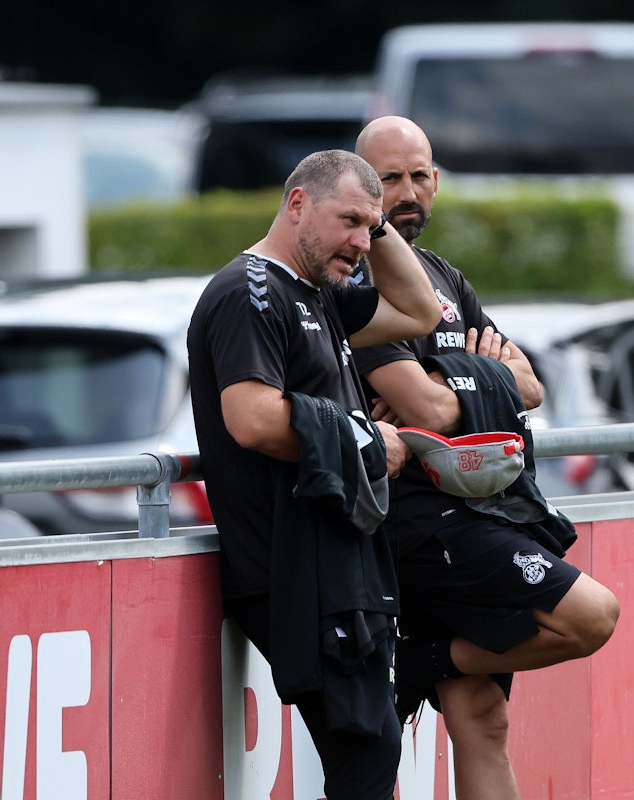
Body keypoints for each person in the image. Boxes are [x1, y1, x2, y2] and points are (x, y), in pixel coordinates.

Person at [352, 116, 620, 799]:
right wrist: (475, 371)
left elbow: (529, 383)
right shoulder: (354, 280)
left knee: (480, 716)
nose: (408, 192)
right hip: (421, 524)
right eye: (389, 179)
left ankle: (424, 659)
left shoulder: (444, 276)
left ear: (436, 180)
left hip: (479, 508)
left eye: (419, 175)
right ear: (362, 190)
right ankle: (424, 659)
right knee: (591, 615)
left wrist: (455, 378)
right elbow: (432, 410)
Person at [187, 149, 440, 800]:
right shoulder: (251, 290)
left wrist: (377, 227)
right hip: (289, 565)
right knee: (366, 745)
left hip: (335, 560)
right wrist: (362, 439)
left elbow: (419, 311)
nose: (362, 241)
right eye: (350, 220)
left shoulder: (317, 290)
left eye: (372, 226)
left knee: (372, 744)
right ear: (296, 203)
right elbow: (249, 419)